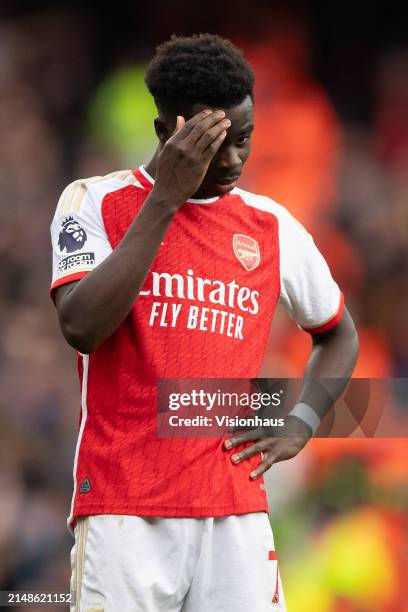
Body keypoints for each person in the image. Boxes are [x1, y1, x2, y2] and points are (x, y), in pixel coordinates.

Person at [50, 34, 359, 612]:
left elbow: (338, 333)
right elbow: (82, 326)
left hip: (236, 512)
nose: (237, 160)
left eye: (245, 139)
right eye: (217, 145)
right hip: (125, 511)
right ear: (168, 133)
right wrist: (165, 200)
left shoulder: (270, 225)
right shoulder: (95, 202)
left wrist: (302, 423)